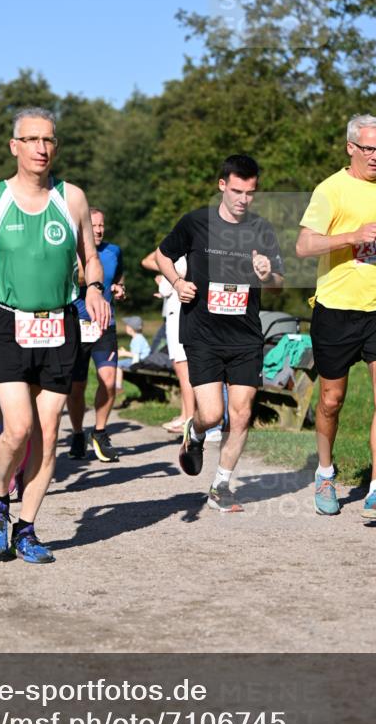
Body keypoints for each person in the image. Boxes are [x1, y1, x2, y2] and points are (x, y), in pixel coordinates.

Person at [0, 106, 111, 564]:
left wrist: (96, 288)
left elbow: (90, 255)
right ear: (15, 146)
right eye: (33, 140)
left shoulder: (73, 199)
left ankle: (26, 528)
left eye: (49, 141)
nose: (42, 149)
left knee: (48, 431)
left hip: (61, 323)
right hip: (7, 323)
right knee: (18, 428)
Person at [155, 155, 284, 513]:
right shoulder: (196, 223)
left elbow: (278, 283)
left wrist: (266, 273)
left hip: (245, 336)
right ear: (222, 185)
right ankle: (194, 434)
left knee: (241, 414)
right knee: (211, 414)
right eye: (238, 191)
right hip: (203, 333)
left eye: (251, 193)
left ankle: (221, 486)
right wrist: (178, 282)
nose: (244, 199)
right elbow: (162, 255)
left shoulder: (262, 229)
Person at [296, 114, 376, 521]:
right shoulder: (331, 190)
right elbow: (305, 245)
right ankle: (325, 473)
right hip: (337, 308)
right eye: (369, 149)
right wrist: (350, 237)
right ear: (351, 148)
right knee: (331, 399)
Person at [66, 207, 126, 463]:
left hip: (105, 323)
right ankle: (78, 433)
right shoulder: (69, 251)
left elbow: (120, 277)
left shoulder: (114, 252)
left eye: (102, 225)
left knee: (109, 380)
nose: (99, 230)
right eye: (94, 225)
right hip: (76, 325)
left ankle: (99, 431)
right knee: (76, 387)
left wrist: (120, 288)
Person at [141, 250, 195, 434]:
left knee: (182, 367)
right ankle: (185, 415)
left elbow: (165, 288)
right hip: (175, 313)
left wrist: (161, 281)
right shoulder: (182, 257)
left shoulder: (181, 258)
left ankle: (189, 418)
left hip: (177, 314)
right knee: (180, 366)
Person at [115, 316, 150, 390]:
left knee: (117, 364)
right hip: (143, 360)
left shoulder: (137, 339)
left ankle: (118, 386)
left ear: (131, 329)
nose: (126, 327)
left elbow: (136, 355)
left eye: (127, 326)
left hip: (140, 361)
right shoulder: (138, 337)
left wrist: (124, 353)